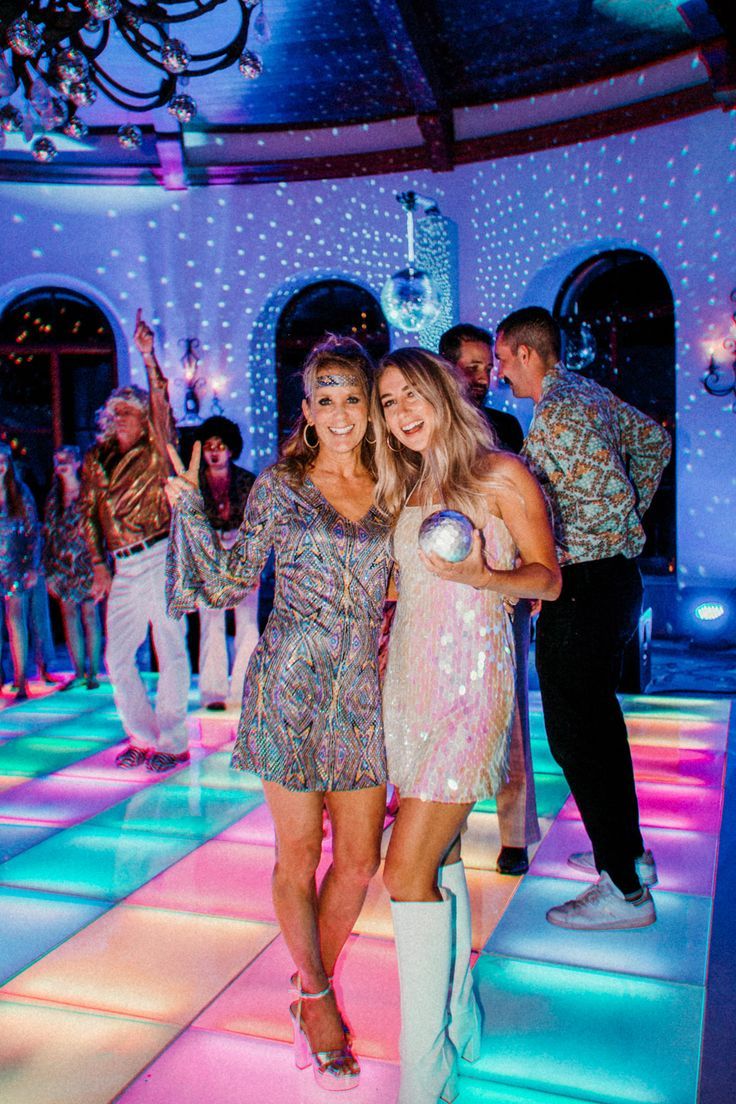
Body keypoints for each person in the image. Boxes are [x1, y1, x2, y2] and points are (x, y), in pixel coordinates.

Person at [166, 337, 392, 1092]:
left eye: (352, 400)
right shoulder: (280, 489)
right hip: (290, 682)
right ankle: (320, 1001)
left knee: (359, 861)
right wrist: (191, 510)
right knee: (298, 857)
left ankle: (305, 985)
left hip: (361, 687)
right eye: (324, 400)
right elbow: (232, 578)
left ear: (370, 408)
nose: (338, 414)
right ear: (306, 409)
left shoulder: (397, 485)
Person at [372, 348, 560, 1104]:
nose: (401, 412)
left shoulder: (501, 475)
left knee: (403, 869)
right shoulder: (405, 485)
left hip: (471, 688)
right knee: (437, 853)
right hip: (406, 689)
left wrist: (488, 575)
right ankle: (458, 1012)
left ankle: (425, 1077)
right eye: (388, 402)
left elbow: (547, 576)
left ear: (447, 392)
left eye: (412, 394)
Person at [494, 306, 671, 930]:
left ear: (523, 352)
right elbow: (654, 441)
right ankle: (627, 856)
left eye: (499, 358)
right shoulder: (587, 393)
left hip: (585, 585)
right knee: (599, 726)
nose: (497, 372)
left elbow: (531, 507)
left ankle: (622, 891)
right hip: (617, 578)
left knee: (577, 737)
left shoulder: (557, 414)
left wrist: (562, 550)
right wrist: (626, 520)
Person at [440, 323, 540, 875]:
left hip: (503, 586)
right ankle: (441, 822)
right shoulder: (422, 426)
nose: (485, 376)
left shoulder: (503, 426)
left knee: (509, 707)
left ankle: (516, 834)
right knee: (444, 704)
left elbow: (529, 508)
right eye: (473, 367)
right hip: (439, 586)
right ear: (447, 366)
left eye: (488, 366)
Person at [79, 309, 191, 772]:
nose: (122, 416)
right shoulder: (97, 459)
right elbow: (86, 515)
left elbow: (163, 401)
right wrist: (97, 563)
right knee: (116, 655)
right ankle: (141, 736)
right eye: (117, 410)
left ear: (145, 420)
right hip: (123, 564)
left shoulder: (155, 451)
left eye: (131, 410)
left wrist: (148, 357)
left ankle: (174, 740)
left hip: (160, 553)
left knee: (170, 647)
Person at [193, 416, 258, 710]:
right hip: (208, 554)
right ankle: (214, 692)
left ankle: (243, 690)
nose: (215, 451)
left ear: (231, 449)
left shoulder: (247, 481)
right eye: (209, 446)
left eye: (220, 446)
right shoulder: (193, 484)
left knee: (246, 623)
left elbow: (260, 528)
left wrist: (255, 566)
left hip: (242, 552)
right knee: (211, 623)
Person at [43, 445, 102, 691]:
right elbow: (48, 536)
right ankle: (78, 671)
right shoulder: (53, 498)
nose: (62, 465)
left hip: (87, 564)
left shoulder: (90, 493)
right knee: (69, 616)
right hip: (62, 566)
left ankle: (93, 673)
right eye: (58, 461)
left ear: (78, 463)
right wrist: (49, 572)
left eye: (67, 460)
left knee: (90, 615)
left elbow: (101, 530)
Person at [0, 443, 39, 702]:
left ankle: (22, 679)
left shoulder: (20, 493)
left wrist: (32, 566)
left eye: (3, 460)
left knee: (16, 622)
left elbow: (33, 531)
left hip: (16, 563)